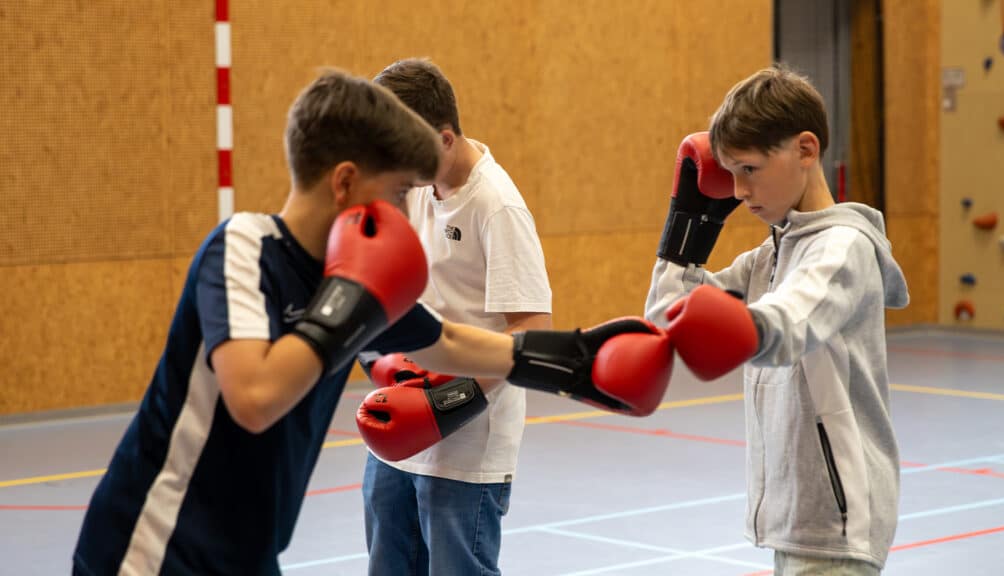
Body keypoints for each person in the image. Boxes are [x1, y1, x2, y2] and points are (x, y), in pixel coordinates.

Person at [73, 69, 672, 576]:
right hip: (152, 544)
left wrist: (570, 360)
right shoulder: (242, 248)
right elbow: (253, 398)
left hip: (247, 550)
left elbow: (449, 341)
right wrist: (349, 311)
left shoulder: (355, 277)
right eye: (397, 192)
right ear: (345, 182)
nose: (404, 211)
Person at [645, 66, 910, 575]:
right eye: (730, 173)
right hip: (796, 518)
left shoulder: (842, 248)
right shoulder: (770, 256)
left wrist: (733, 328)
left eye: (749, 169)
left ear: (806, 150)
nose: (739, 191)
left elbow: (786, 325)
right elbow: (665, 318)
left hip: (836, 521)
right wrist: (687, 229)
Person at [353, 57, 552, 576]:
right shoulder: (413, 188)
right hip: (399, 422)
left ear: (443, 139)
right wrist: (376, 355)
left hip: (469, 439)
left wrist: (451, 401)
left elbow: (532, 328)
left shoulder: (496, 205)